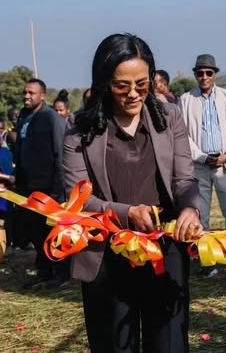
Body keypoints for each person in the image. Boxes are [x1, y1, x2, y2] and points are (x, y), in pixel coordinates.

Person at [63, 33, 202, 352]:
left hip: (164, 247)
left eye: (142, 83)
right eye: (121, 86)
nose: (133, 94)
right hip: (108, 252)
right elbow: (77, 198)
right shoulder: (79, 128)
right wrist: (128, 214)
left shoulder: (169, 116)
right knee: (114, 343)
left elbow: (184, 179)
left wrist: (190, 209)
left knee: (168, 340)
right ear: (104, 83)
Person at [14, 78, 69, 288]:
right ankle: (44, 272)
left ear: (42, 95)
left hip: (48, 189)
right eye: (25, 92)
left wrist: (57, 190)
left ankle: (60, 274)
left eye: (31, 93)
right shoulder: (25, 117)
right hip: (27, 187)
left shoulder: (51, 118)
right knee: (34, 231)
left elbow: (60, 154)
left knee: (51, 232)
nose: (26, 96)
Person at [178, 54, 226, 232]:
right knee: (201, 216)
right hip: (200, 166)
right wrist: (202, 157)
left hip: (224, 165)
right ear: (195, 75)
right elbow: (182, 134)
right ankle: (201, 249)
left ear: (215, 74)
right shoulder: (185, 100)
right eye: (200, 73)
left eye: (208, 73)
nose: (204, 77)